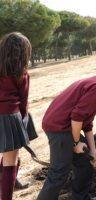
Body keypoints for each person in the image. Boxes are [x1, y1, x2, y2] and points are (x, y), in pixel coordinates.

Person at [37, 56, 96, 200]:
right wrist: (76, 143)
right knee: (59, 173)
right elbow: (77, 117)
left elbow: (86, 124)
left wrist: (93, 151)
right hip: (60, 128)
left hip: (63, 126)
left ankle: (81, 198)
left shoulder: (91, 82)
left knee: (85, 163)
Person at [0, 32, 32, 200]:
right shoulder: (22, 74)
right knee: (10, 162)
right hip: (9, 117)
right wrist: (22, 127)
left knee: (7, 159)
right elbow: (23, 104)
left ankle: (7, 182)